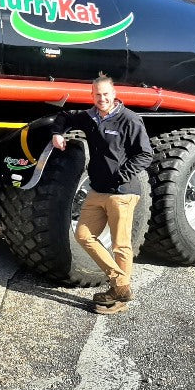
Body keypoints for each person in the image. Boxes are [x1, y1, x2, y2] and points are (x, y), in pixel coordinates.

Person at [50, 74, 153, 314]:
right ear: (92, 95)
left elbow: (145, 154)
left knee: (120, 245)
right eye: (98, 95)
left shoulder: (130, 119)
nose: (102, 99)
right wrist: (57, 133)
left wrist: (120, 175)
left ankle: (119, 299)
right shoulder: (90, 117)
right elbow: (65, 116)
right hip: (97, 191)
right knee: (83, 235)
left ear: (114, 94)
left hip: (122, 193)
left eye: (106, 94)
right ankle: (120, 283)